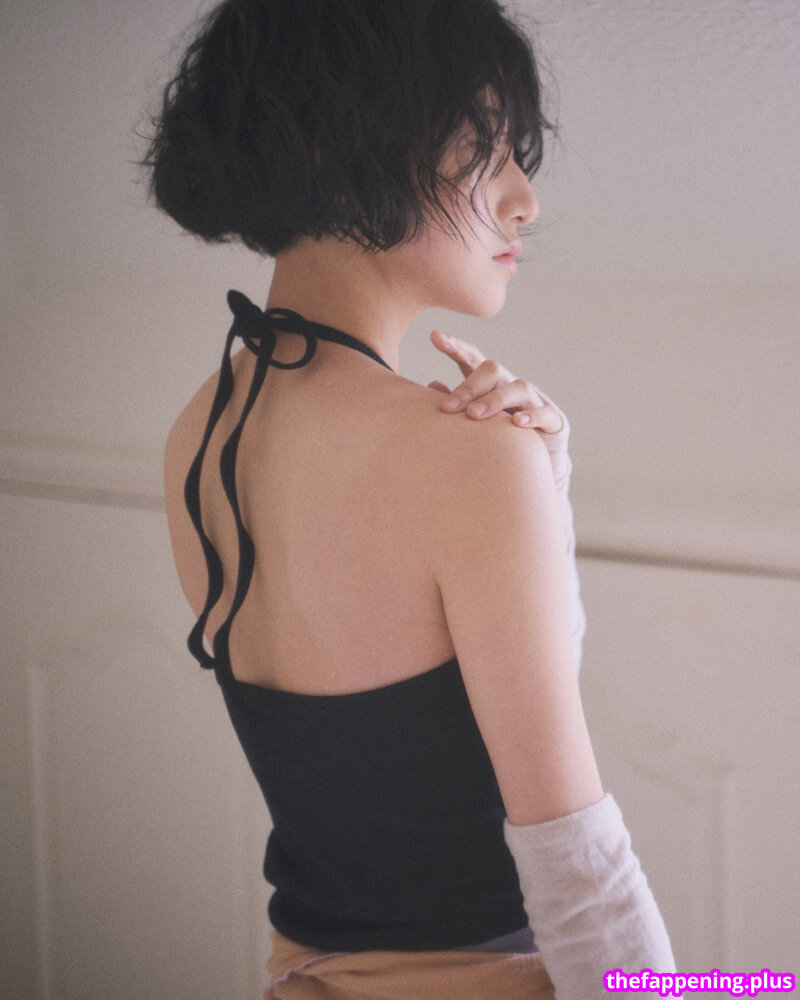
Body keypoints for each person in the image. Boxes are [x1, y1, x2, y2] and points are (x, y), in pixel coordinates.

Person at [145, 1, 676, 996]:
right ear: (340, 147)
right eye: (486, 148)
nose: (524, 200)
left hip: (304, 971)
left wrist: (542, 474)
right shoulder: (459, 455)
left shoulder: (199, 432)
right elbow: (574, 860)